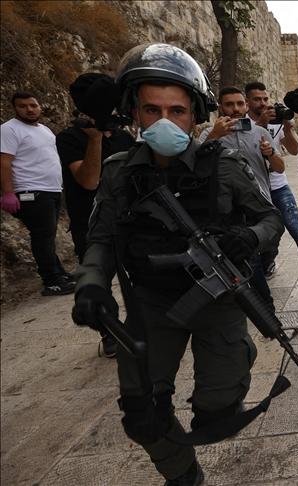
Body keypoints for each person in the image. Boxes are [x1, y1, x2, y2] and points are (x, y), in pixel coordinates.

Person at [71, 43, 283, 485]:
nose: (165, 121)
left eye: (178, 111)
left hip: (217, 297)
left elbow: (269, 217)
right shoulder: (120, 171)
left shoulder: (222, 165)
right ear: (134, 112)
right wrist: (91, 286)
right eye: (152, 110)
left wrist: (248, 237)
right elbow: (102, 238)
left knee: (219, 407)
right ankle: (183, 475)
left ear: (195, 114)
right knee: (142, 414)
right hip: (151, 304)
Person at [56, 73, 136, 357]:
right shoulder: (70, 138)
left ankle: (139, 325)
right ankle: (110, 332)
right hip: (91, 224)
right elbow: (89, 181)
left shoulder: (125, 137)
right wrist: (95, 139)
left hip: (129, 221)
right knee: (97, 281)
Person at [199, 86, 281, 311]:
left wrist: (270, 154)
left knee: (262, 252)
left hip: (259, 205)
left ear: (245, 106)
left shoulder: (260, 132)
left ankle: (266, 270)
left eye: (239, 104)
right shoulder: (208, 134)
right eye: (229, 104)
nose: (235, 109)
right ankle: (266, 308)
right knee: (248, 258)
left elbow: (280, 167)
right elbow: (198, 168)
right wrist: (215, 136)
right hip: (229, 210)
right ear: (220, 107)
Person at [0, 92, 75, 296]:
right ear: (15, 108)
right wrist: (8, 193)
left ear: (40, 106)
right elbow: (4, 162)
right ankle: (51, 281)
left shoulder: (45, 129)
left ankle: (58, 272)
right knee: (42, 236)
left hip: (51, 189)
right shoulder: (9, 130)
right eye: (23, 106)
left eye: (33, 105)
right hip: (30, 190)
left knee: (47, 235)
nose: (29, 109)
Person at [245, 81, 298, 277]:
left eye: (265, 99)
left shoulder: (277, 121)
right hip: (256, 190)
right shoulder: (243, 123)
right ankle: (267, 262)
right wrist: (260, 124)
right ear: (247, 101)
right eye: (257, 99)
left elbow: (294, 150)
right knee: (267, 235)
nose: (262, 103)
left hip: (279, 187)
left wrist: (287, 128)